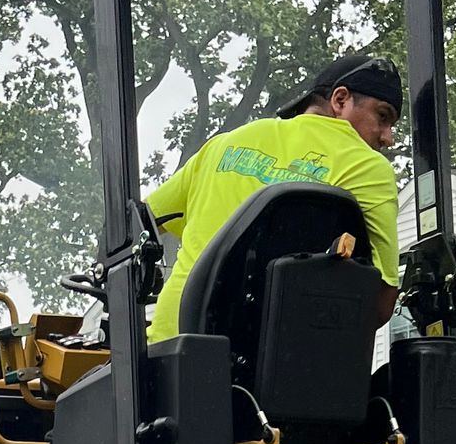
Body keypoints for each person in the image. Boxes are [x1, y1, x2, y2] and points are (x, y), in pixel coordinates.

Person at [144, 50, 403, 342]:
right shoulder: (367, 166)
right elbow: (379, 303)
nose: (387, 137)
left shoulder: (224, 144)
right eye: (383, 117)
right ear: (340, 100)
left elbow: (137, 227)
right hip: (278, 367)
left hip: (172, 350)